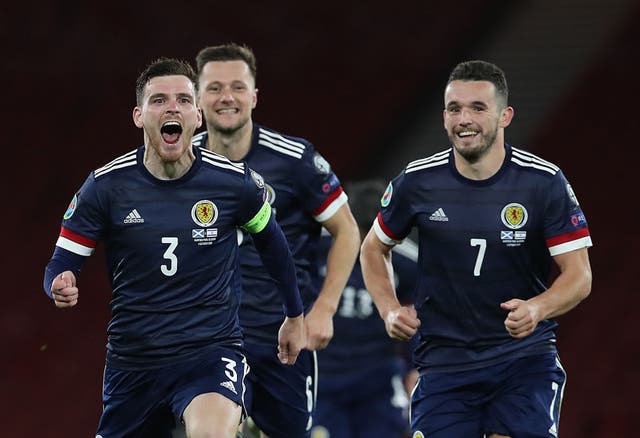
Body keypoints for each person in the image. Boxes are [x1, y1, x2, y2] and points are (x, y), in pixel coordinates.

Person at [43, 57, 305, 438]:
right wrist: (58, 282)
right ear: (138, 115)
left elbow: (274, 245)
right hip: (134, 362)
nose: (172, 108)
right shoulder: (105, 188)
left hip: (211, 352)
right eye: (159, 100)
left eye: (183, 100)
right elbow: (61, 262)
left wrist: (294, 314)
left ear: (197, 116)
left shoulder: (236, 184)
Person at [360, 60, 593, 438]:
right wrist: (388, 309)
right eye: (455, 109)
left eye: (477, 108)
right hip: (443, 364)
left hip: (522, 359)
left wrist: (538, 307)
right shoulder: (417, 182)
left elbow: (580, 276)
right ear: (444, 117)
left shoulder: (543, 182)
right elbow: (373, 248)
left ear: (505, 116)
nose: (464, 119)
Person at [193, 43, 361, 438]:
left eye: (237, 86)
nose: (226, 97)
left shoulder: (294, 160)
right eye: (214, 88)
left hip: (282, 335)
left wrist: (324, 309)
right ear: (198, 98)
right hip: (209, 336)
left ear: (254, 95)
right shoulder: (182, 163)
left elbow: (347, 229)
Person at [311, 179, 419, 438]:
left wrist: (417, 366)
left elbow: (423, 314)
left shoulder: (408, 261)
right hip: (320, 378)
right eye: (360, 232)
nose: (366, 243)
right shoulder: (313, 248)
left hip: (377, 381)